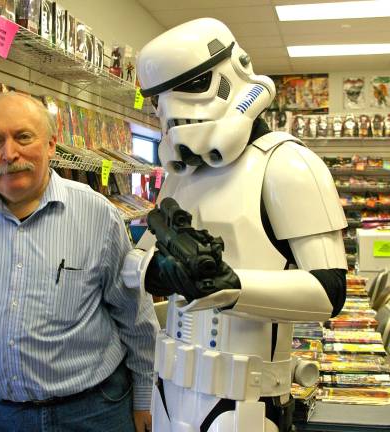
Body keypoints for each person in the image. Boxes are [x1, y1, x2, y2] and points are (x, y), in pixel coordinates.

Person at [122, 18, 346, 431]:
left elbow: (328, 292)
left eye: (191, 86)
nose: (173, 111)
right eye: (159, 99)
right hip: (171, 392)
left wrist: (230, 286)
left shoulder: (288, 165)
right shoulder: (180, 176)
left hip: (246, 402)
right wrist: (158, 271)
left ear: (236, 71)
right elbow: (140, 260)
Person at [0, 92, 159, 432]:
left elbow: (135, 315)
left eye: (23, 137)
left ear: (52, 145)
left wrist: (146, 395)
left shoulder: (98, 216)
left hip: (93, 413)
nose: (9, 154)